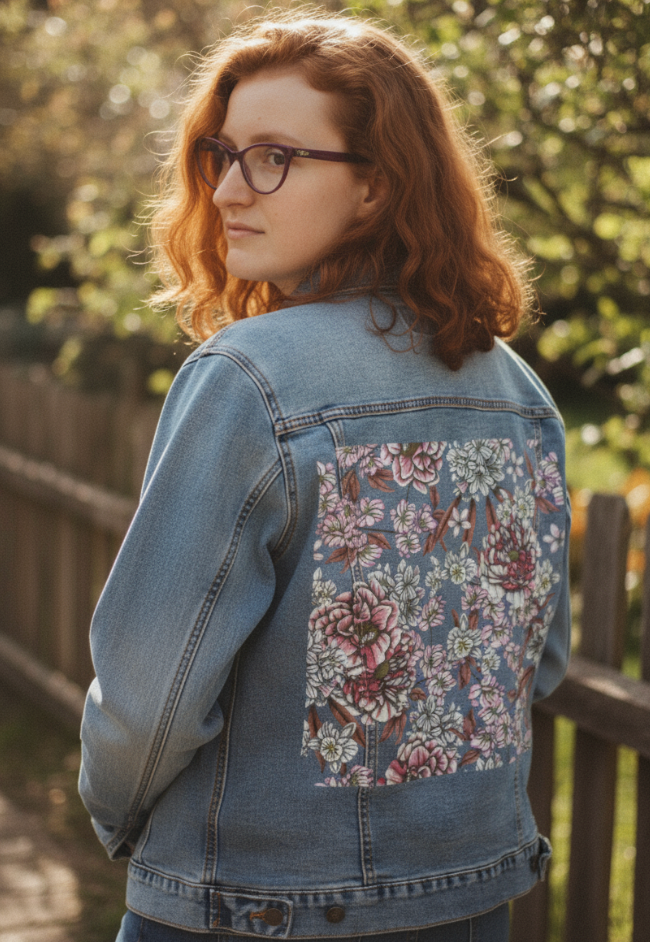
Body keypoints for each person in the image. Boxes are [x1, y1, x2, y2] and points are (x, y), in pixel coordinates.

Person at [79, 11, 571, 942]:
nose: (227, 189)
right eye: (221, 153)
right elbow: (531, 663)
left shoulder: (247, 378)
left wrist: (116, 817)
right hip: (468, 905)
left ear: (377, 188)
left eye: (274, 157)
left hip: (247, 909)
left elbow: (148, 697)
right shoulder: (520, 393)